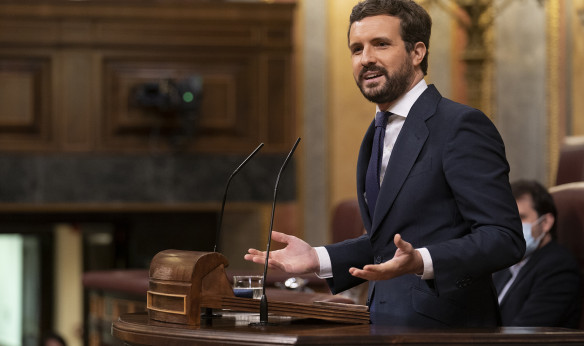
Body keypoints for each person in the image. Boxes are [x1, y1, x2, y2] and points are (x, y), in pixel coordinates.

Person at [245, 0, 525, 327]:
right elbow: (388, 243)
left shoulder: (460, 125)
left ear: (417, 52)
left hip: (446, 329)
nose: (366, 59)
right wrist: (317, 259)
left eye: (381, 44)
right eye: (356, 48)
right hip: (384, 322)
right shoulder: (377, 130)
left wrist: (422, 260)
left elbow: (504, 238)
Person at [493, 179, 581, 328]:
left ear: (545, 222)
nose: (511, 226)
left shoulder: (558, 267)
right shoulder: (505, 264)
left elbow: (525, 334)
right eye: (508, 218)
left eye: (521, 217)